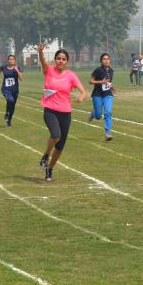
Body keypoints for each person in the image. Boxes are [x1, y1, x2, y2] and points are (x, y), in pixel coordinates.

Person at [38, 43, 87, 182]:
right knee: (55, 135)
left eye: (64, 59)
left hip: (65, 113)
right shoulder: (49, 71)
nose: (61, 61)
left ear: (67, 61)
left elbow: (83, 91)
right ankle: (46, 155)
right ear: (55, 60)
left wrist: (81, 97)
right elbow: (43, 62)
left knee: (60, 147)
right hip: (50, 111)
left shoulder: (71, 76)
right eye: (58, 58)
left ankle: (50, 169)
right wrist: (41, 53)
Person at [88, 53, 115, 141]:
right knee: (98, 116)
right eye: (104, 59)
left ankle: (108, 133)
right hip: (97, 94)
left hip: (108, 94)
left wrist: (111, 87)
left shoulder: (111, 71)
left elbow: (108, 82)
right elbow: (90, 81)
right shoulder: (98, 70)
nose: (106, 60)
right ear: (101, 61)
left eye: (108, 59)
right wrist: (100, 82)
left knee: (108, 112)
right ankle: (93, 113)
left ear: (110, 60)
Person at [0, 54, 23, 127]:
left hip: (15, 90)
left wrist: (17, 71)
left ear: (15, 60)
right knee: (11, 100)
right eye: (9, 59)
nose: (11, 60)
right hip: (5, 89)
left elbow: (21, 79)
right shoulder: (4, 67)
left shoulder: (18, 68)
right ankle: (7, 112)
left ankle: (9, 120)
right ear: (7, 60)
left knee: (13, 105)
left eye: (12, 59)